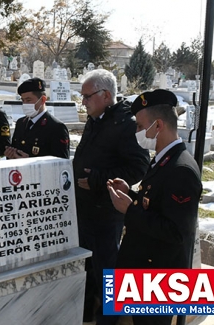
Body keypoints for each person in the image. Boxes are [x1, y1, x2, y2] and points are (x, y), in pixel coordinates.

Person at [107, 89, 203, 325]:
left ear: (158, 125)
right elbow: (157, 204)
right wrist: (130, 193)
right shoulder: (164, 158)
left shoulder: (181, 169)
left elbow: (175, 231)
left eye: (140, 127)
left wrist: (129, 210)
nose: (137, 133)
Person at [73, 70, 149, 324]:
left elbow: (139, 168)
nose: (83, 102)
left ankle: (108, 319)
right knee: (88, 268)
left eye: (87, 96)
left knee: (108, 270)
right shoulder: (96, 118)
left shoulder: (126, 124)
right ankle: (86, 314)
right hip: (84, 208)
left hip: (105, 212)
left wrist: (98, 179)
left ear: (106, 95)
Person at [4, 77, 70, 159]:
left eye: (28, 100)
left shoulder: (56, 127)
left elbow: (61, 163)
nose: (25, 104)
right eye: (23, 100)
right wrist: (11, 155)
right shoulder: (21, 123)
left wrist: (29, 161)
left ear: (43, 100)